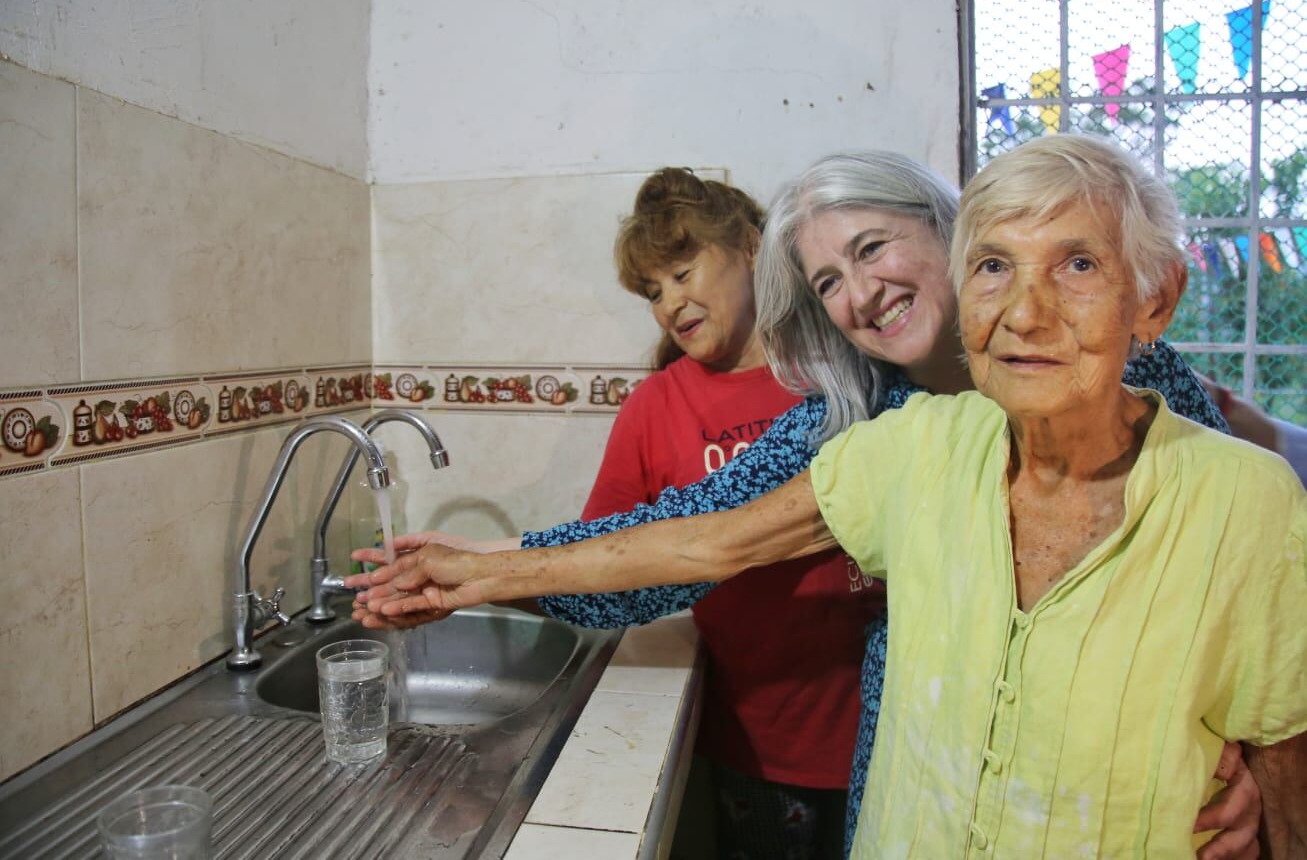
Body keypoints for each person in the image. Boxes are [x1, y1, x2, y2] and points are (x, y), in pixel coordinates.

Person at [351, 142, 1266, 857]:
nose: (861, 294)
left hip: (1114, 796)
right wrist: (488, 571)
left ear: (946, 227)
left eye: (872, 248)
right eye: (828, 281)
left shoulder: (1120, 364)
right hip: (932, 797)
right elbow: (695, 539)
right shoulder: (862, 424)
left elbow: (1243, 586)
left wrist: (1256, 770)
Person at [578, 167, 871, 857]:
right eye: (652, 291)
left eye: (682, 272)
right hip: (761, 743)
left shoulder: (840, 370)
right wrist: (486, 569)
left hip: (892, 719)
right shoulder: (657, 406)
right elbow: (597, 557)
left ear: (748, 246)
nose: (667, 303)